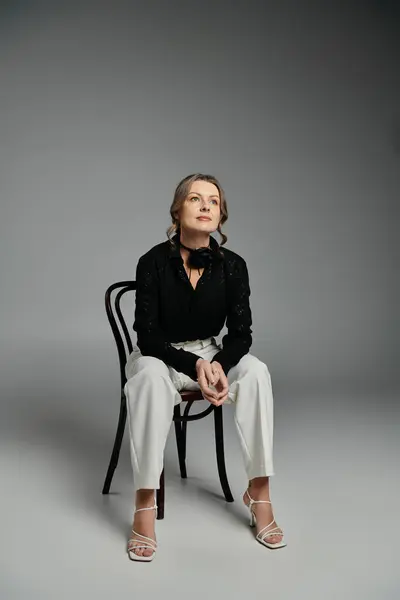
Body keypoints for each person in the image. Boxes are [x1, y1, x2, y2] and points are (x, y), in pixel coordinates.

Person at [124, 173, 286, 562]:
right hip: (161, 356)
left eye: (213, 201)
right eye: (195, 199)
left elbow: (241, 334)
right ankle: (145, 502)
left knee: (257, 373)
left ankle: (259, 494)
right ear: (178, 210)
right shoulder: (152, 262)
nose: (205, 206)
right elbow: (147, 336)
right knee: (146, 379)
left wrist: (216, 364)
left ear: (221, 215)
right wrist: (195, 364)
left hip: (212, 354)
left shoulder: (233, 266)